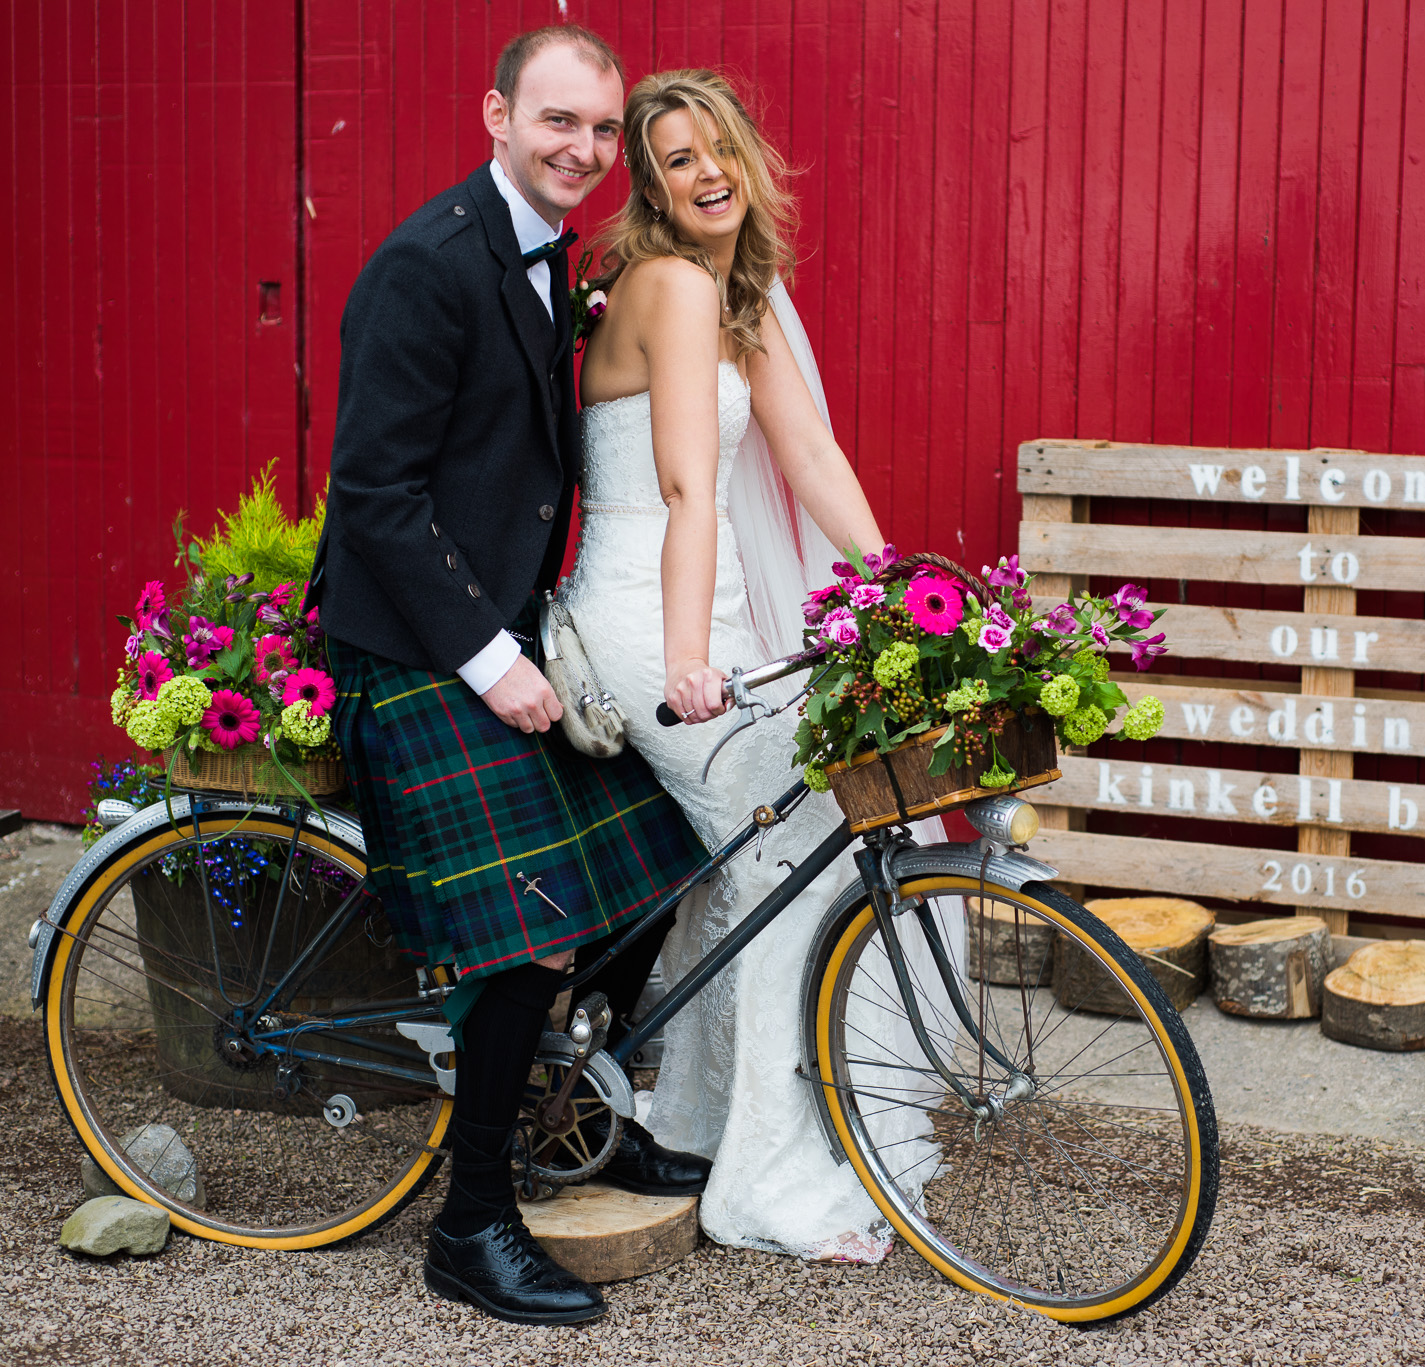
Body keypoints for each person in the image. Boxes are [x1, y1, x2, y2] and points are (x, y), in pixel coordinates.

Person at [307, 27, 712, 1326]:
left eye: (602, 131)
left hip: (502, 627)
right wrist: (492, 662)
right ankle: (471, 1220)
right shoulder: (429, 265)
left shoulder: (552, 261)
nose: (585, 151)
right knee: (535, 922)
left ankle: (565, 1108)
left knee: (660, 861)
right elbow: (371, 491)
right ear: (496, 114)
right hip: (415, 649)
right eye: (560, 123)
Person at [566, 68, 930, 1262]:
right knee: (785, 854)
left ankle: (693, 1115)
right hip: (642, 611)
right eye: (674, 157)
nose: (703, 170)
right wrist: (681, 656)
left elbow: (810, 454)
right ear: (651, 186)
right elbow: (681, 486)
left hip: (713, 608)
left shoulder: (742, 291)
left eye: (715, 146)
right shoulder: (668, 284)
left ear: (748, 155)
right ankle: (754, 1178)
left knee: (783, 843)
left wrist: (900, 594)